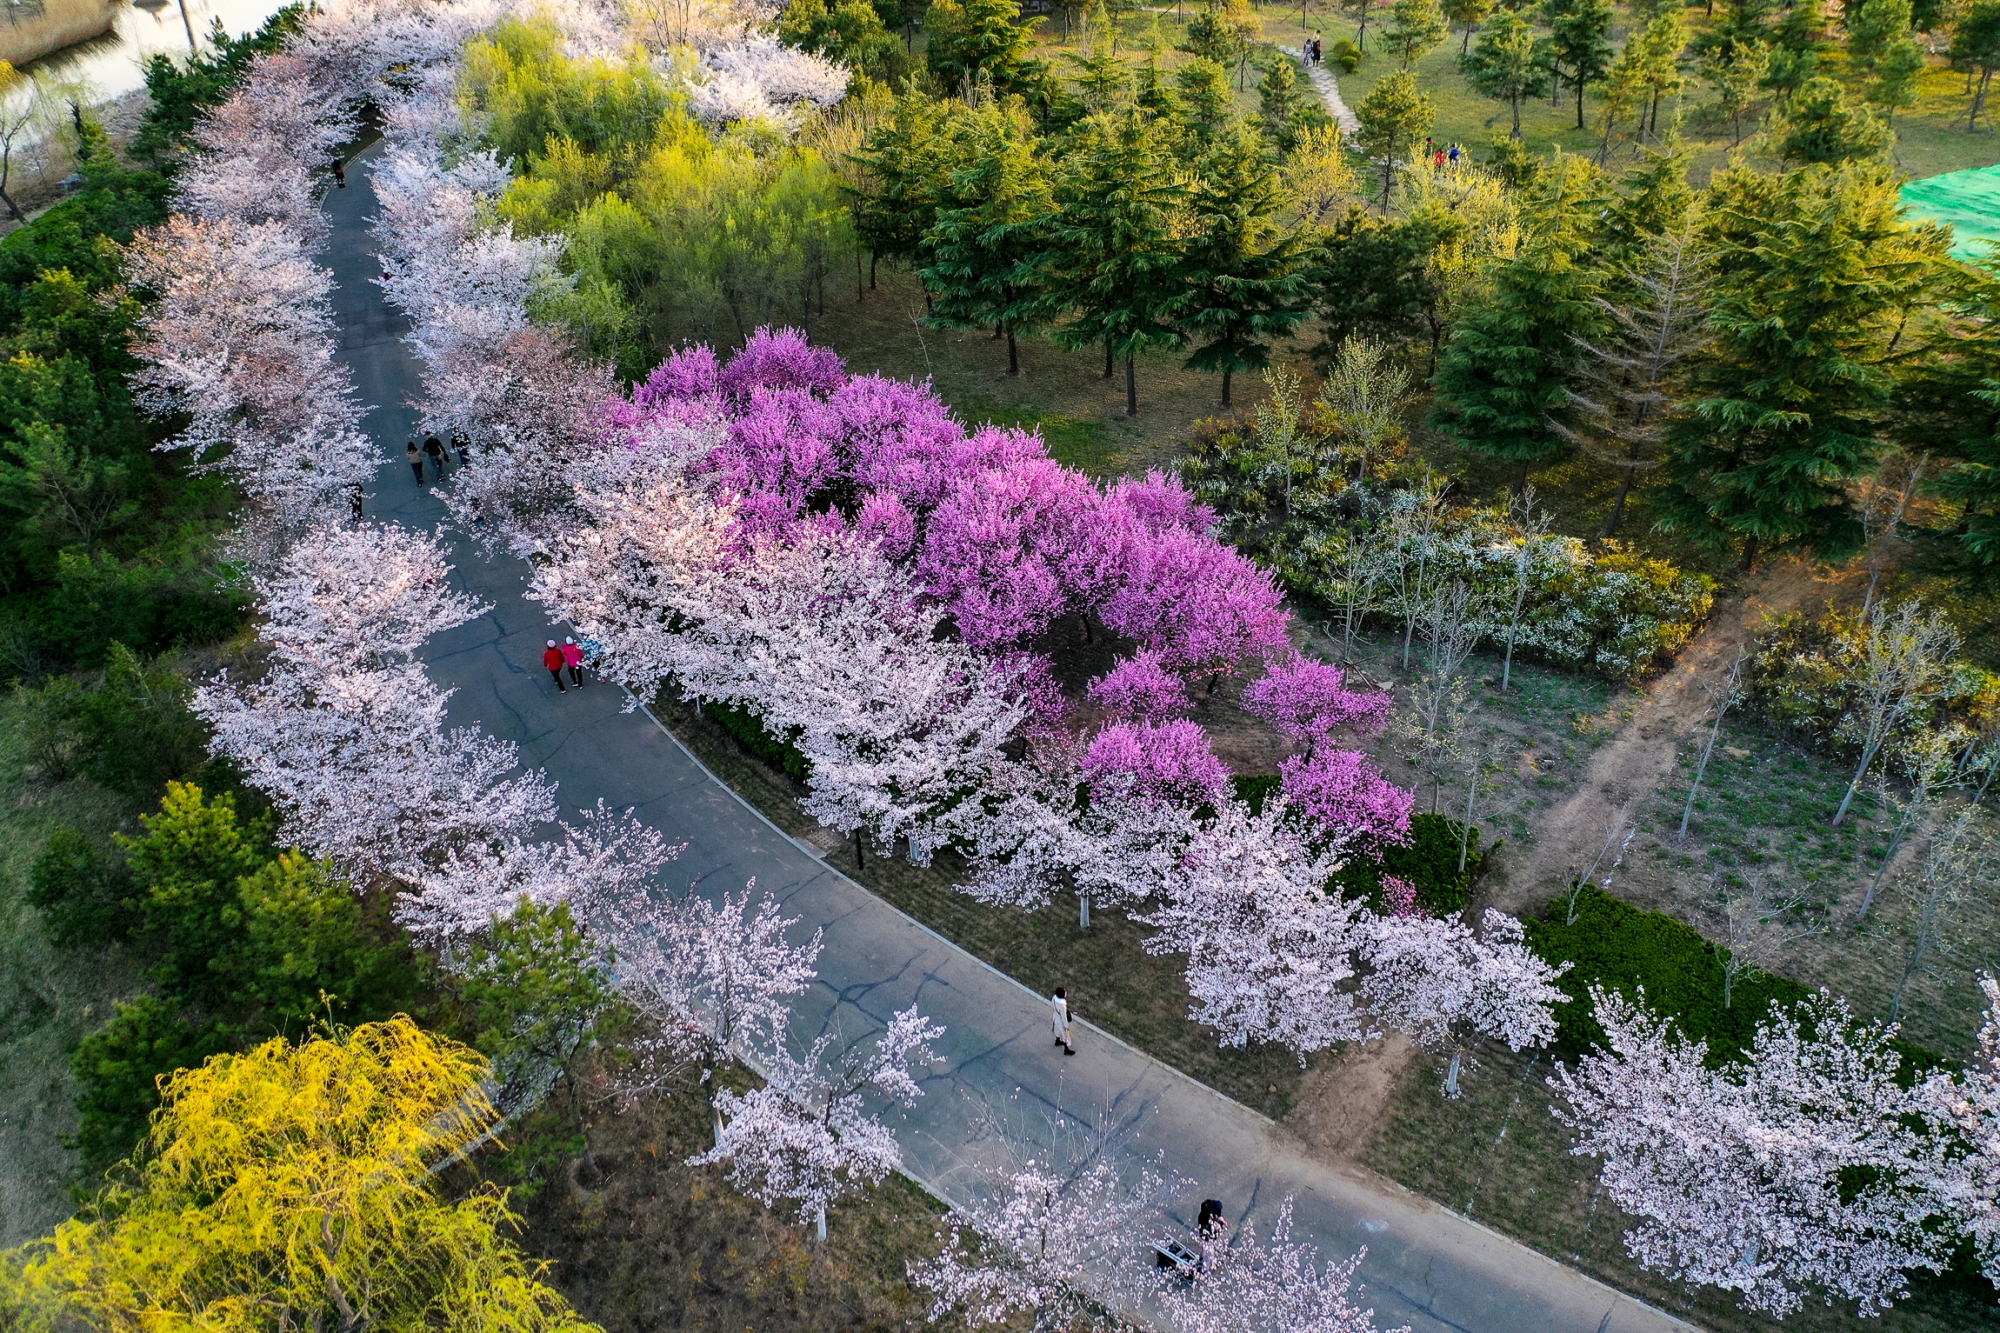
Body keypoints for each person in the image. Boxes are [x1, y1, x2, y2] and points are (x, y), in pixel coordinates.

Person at [1050, 987, 1075, 1056]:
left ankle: (1057, 1041)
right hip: (1060, 1021)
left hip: (1055, 1017)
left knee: (1057, 1030)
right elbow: (1063, 1017)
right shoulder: (1062, 1006)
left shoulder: (1054, 998)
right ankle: (1066, 1050)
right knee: (1065, 1035)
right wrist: (1066, 1026)